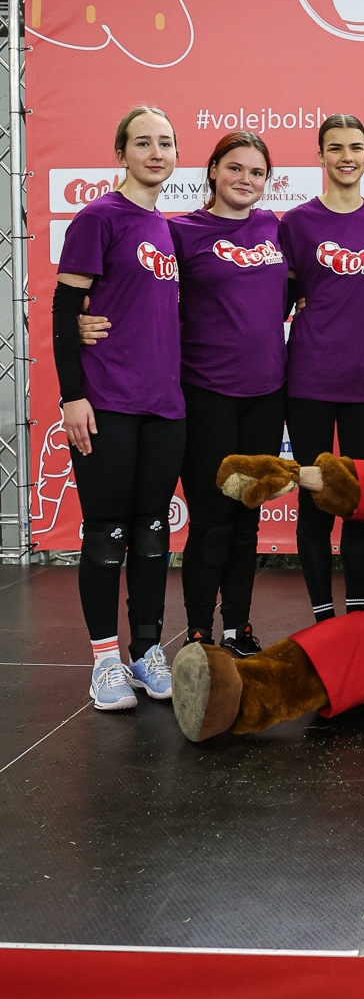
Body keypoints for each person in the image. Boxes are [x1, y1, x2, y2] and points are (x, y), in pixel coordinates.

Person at [80, 130, 289, 656]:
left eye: (257, 172)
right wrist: (81, 322)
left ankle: (238, 627)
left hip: (268, 395)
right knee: (213, 521)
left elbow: (304, 292)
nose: (245, 179)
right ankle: (198, 631)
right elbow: (133, 290)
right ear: (213, 170)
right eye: (235, 167)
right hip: (205, 394)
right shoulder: (178, 232)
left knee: (247, 520)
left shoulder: (275, 228)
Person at [53, 106, 184, 710]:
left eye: (166, 143)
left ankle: (147, 652)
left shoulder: (167, 229)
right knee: (106, 532)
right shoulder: (98, 217)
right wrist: (72, 395)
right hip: (106, 401)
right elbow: (65, 311)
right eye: (143, 142)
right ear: (121, 152)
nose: (156, 153)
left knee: (153, 531)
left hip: (165, 404)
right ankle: (105, 660)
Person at [279, 114, 364, 623]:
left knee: (357, 499)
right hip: (308, 377)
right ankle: (323, 618)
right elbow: (278, 295)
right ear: (320, 156)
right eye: (335, 148)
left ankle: (356, 614)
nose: (346, 157)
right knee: (314, 499)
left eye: (355, 147)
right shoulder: (296, 223)